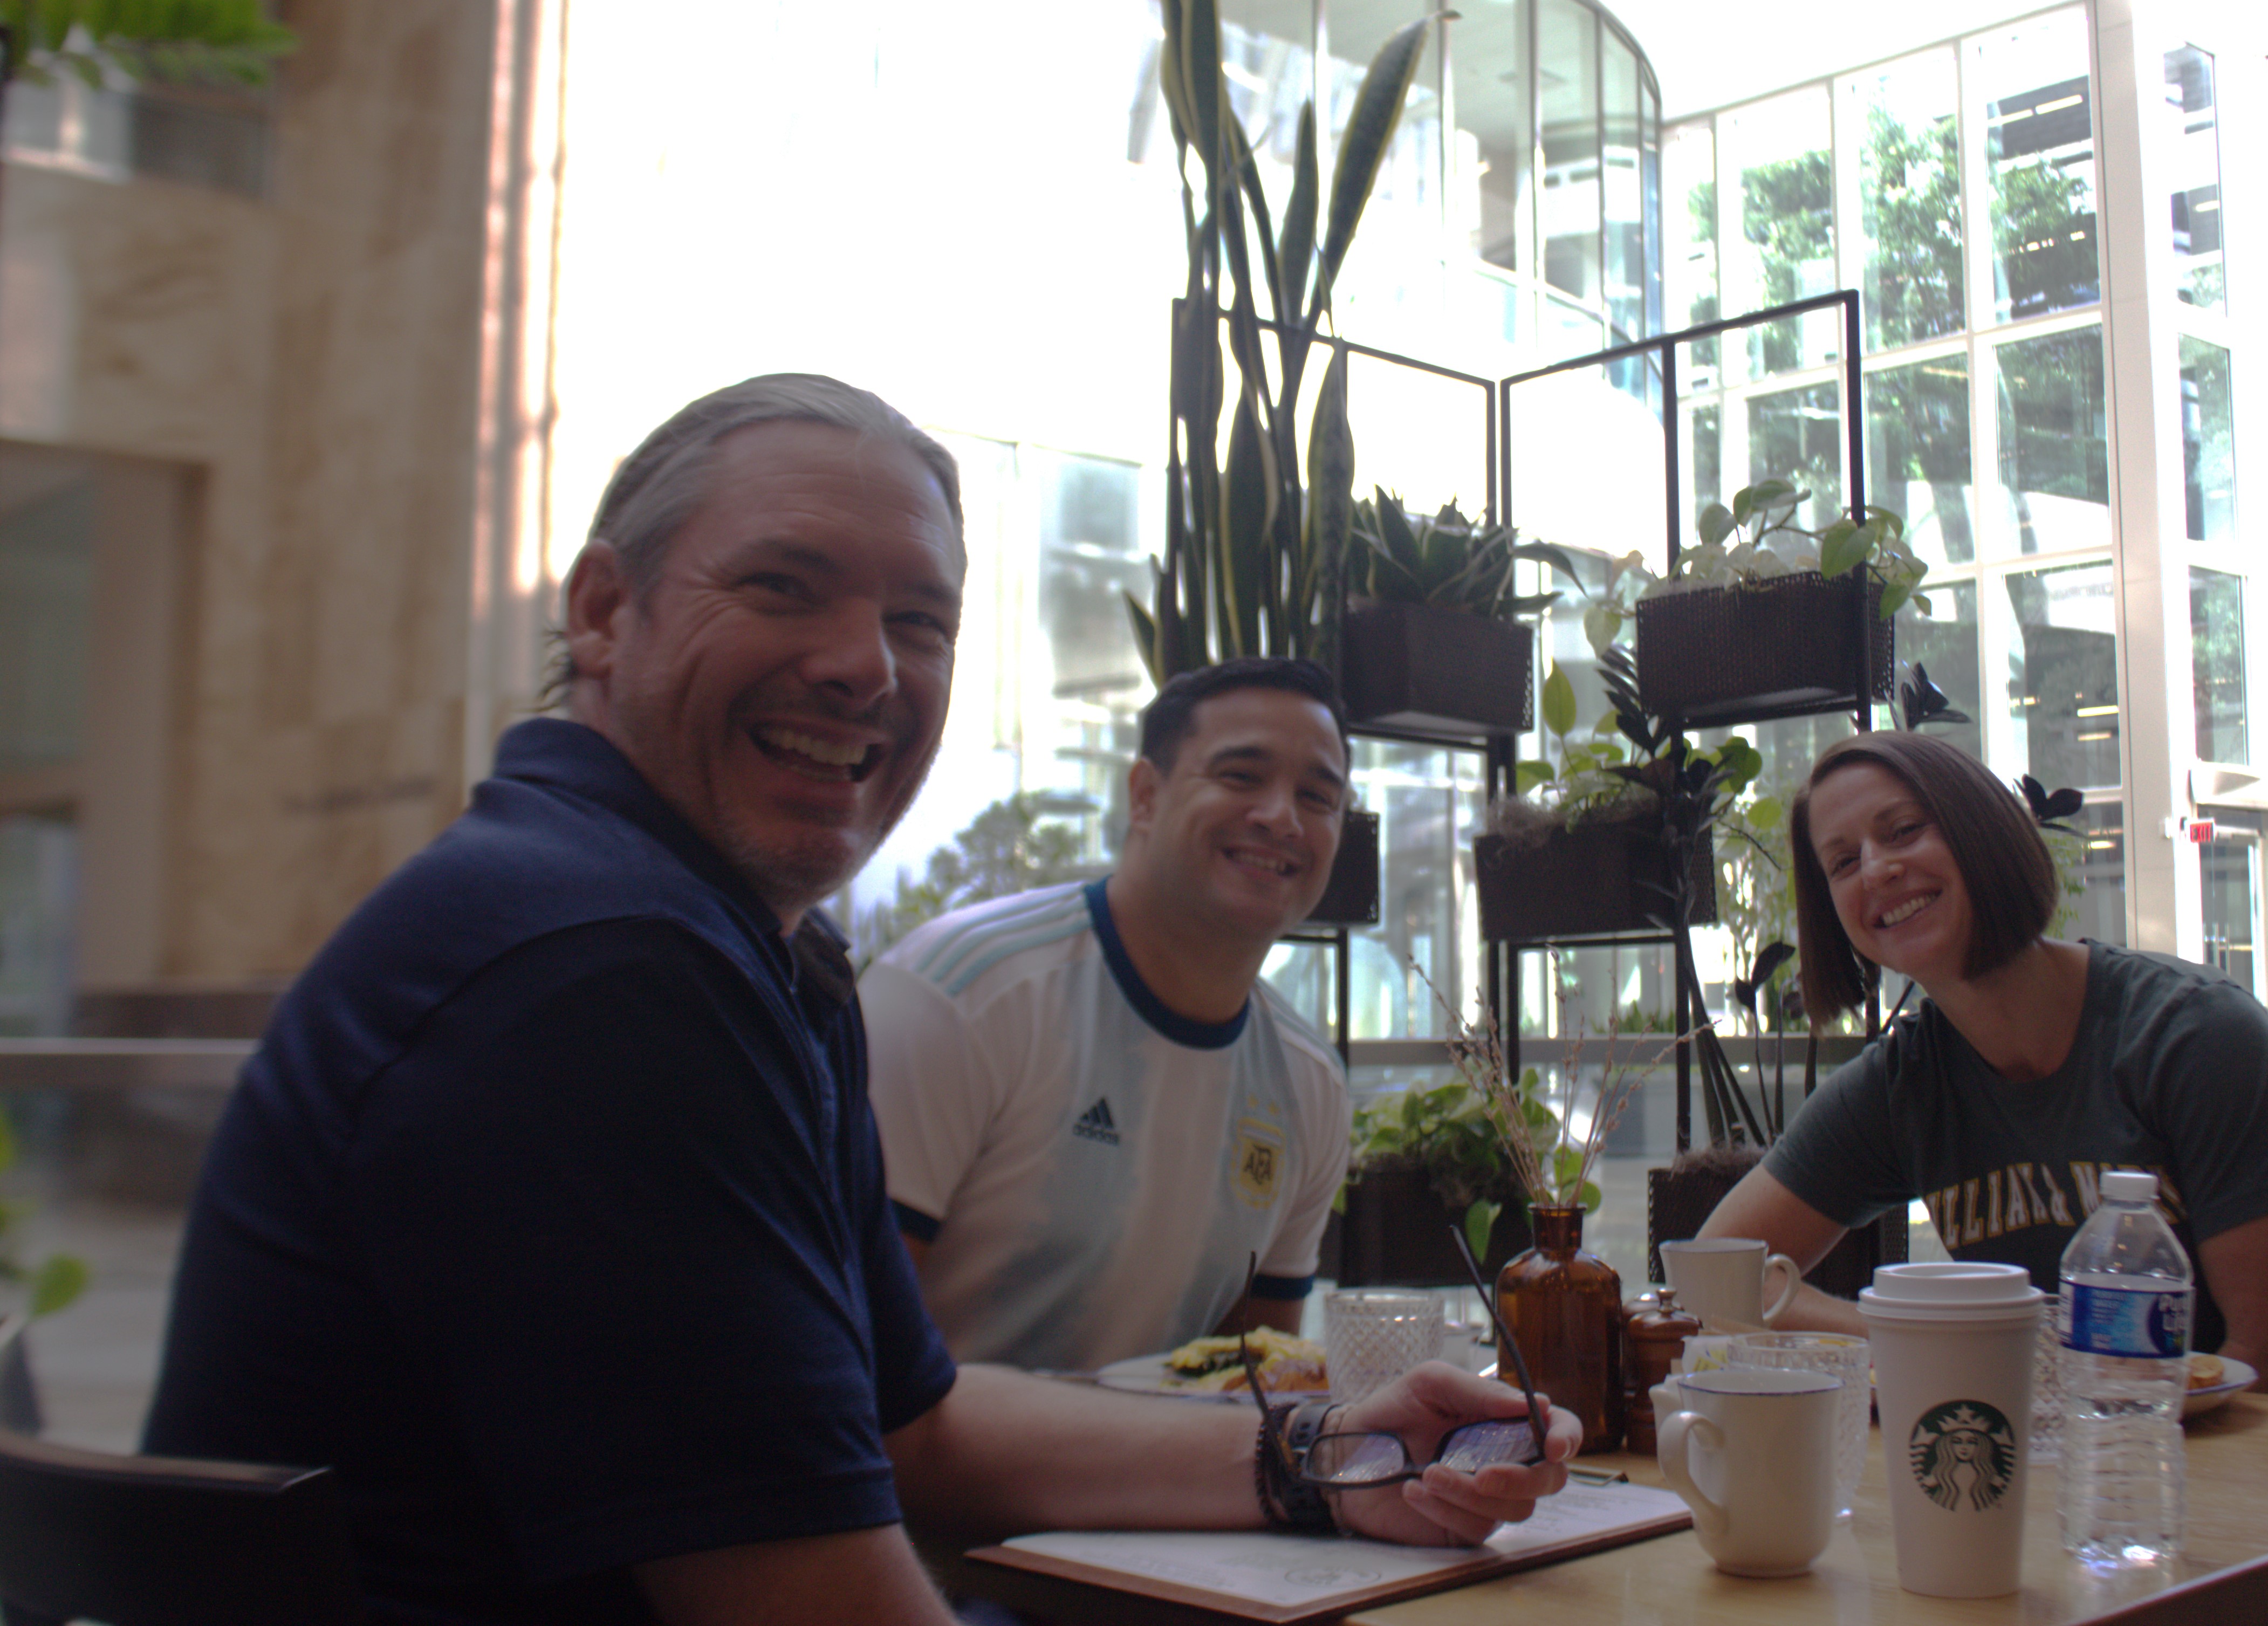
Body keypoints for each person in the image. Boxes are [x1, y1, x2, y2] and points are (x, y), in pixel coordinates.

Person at [142, 375, 1574, 1626]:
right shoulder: (600, 971)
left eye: (917, 621)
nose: (864, 665)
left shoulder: (725, 946)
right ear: (603, 612)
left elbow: (914, 1421)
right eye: (784, 584)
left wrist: (1326, 1454)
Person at [1703, 731, 2268, 1626]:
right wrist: (1915, 1342)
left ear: (1981, 834)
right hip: (2083, 1505)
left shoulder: (2193, 1039)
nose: (1877, 869)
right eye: (1841, 862)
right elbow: (1723, 1271)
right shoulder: (1905, 1084)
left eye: (1902, 830)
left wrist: (2057, 1415)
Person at [860, 659, 1351, 1371]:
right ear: (1145, 796)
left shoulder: (1309, 1084)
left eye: (1317, 797)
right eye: (1242, 776)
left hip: (1153, 1478)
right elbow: (848, 1373)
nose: (1281, 817)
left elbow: (1249, 1386)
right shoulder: (961, 996)